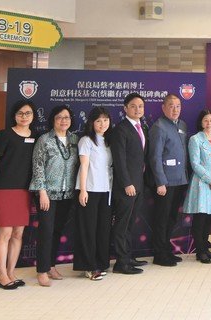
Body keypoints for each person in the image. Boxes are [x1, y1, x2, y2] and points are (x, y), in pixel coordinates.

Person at [0, 100, 36, 290]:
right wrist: (1, 181)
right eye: (21, 113)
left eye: (28, 113)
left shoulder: (36, 136)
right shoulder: (4, 135)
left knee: (18, 233)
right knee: (5, 233)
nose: (24, 116)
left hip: (24, 190)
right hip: (4, 190)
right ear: (14, 116)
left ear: (33, 116)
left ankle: (11, 272)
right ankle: (1, 275)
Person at [30, 105, 79, 287]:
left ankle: (51, 265)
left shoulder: (75, 139)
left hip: (67, 194)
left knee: (57, 231)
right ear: (53, 120)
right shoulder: (44, 140)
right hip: (47, 194)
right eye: (59, 117)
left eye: (66, 117)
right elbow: (38, 167)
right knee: (46, 231)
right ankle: (41, 270)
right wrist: (41, 192)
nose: (63, 121)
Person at [107, 93, 149, 274]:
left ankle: (128, 256)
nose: (137, 109)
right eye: (133, 106)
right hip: (127, 186)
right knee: (122, 224)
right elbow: (119, 160)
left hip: (139, 184)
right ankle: (121, 263)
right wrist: (127, 183)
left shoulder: (143, 127)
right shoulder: (120, 129)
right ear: (125, 108)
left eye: (140, 106)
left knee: (131, 223)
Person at [147, 94, 189, 266]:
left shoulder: (182, 125)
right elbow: (155, 157)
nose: (175, 109)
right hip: (165, 182)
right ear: (163, 108)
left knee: (172, 218)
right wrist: (160, 182)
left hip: (180, 180)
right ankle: (159, 254)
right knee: (161, 218)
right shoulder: (159, 127)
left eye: (178, 106)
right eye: (171, 106)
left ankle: (166, 249)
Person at [183, 109, 211, 264]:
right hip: (203, 183)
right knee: (200, 218)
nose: (209, 123)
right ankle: (200, 251)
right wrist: (210, 180)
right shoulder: (195, 139)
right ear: (201, 122)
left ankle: (206, 248)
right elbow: (194, 163)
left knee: (209, 218)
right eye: (206, 121)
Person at [74, 107, 113, 281]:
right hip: (89, 189)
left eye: (105, 120)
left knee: (103, 229)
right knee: (88, 229)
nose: (102, 124)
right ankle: (88, 267)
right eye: (98, 121)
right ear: (91, 123)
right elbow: (84, 166)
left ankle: (101, 263)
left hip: (106, 190)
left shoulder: (109, 141)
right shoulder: (86, 141)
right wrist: (82, 190)